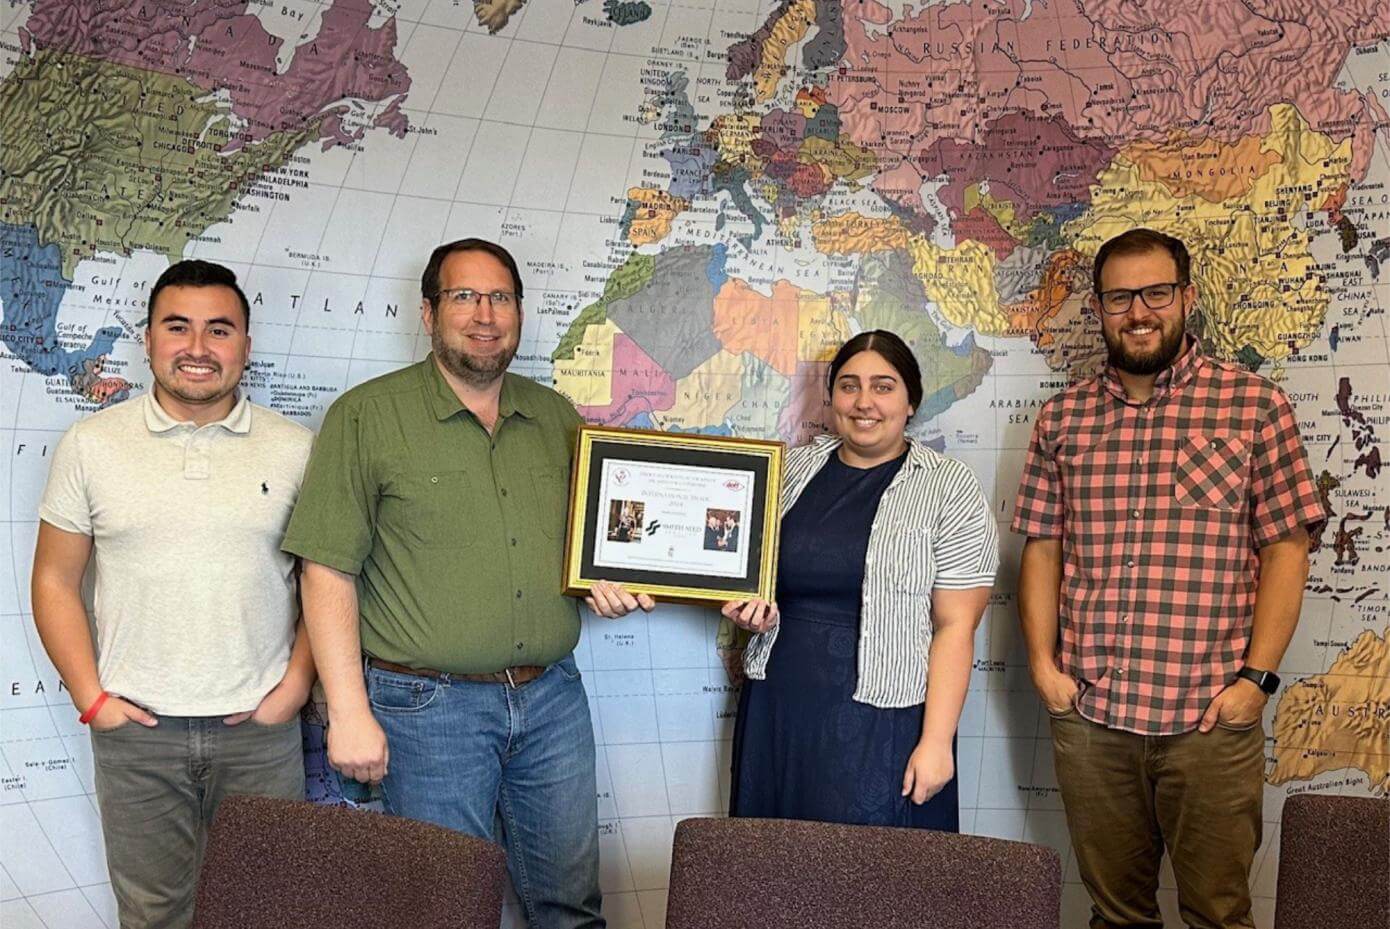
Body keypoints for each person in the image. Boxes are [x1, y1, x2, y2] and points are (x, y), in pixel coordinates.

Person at [280, 238, 651, 929]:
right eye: (464, 296)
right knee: (442, 908)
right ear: (428, 313)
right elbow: (327, 568)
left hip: (552, 702)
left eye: (501, 297)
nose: (486, 314)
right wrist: (348, 709)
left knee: (571, 905)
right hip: (427, 711)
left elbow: (593, 547)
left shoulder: (557, 420)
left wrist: (612, 579)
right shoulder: (365, 416)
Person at [1013, 228, 1327, 929]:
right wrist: (1043, 667)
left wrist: (1257, 682)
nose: (1140, 311)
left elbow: (1285, 549)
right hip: (1093, 718)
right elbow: (1042, 546)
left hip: (1208, 722)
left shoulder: (1254, 406)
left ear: (1185, 297)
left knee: (1218, 912)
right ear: (1098, 307)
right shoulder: (1063, 418)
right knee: (1115, 914)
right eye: (1121, 297)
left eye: (1156, 292)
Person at [30, 260, 316, 929]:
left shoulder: (297, 448)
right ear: (149, 338)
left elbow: (324, 585)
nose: (197, 347)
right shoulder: (90, 445)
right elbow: (53, 579)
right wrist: (91, 699)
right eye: (177, 327)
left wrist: (296, 686)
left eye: (219, 330)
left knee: (267, 914)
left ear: (246, 344)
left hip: (261, 736)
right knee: (154, 915)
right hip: (138, 740)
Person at [724, 329, 997, 829]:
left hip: (886, 719)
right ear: (831, 399)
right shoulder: (787, 470)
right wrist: (747, 605)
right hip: (781, 707)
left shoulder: (950, 487)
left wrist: (937, 743)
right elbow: (745, 570)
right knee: (775, 876)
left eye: (883, 386)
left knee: (872, 888)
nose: (864, 402)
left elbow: (956, 628)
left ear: (910, 400)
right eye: (849, 386)